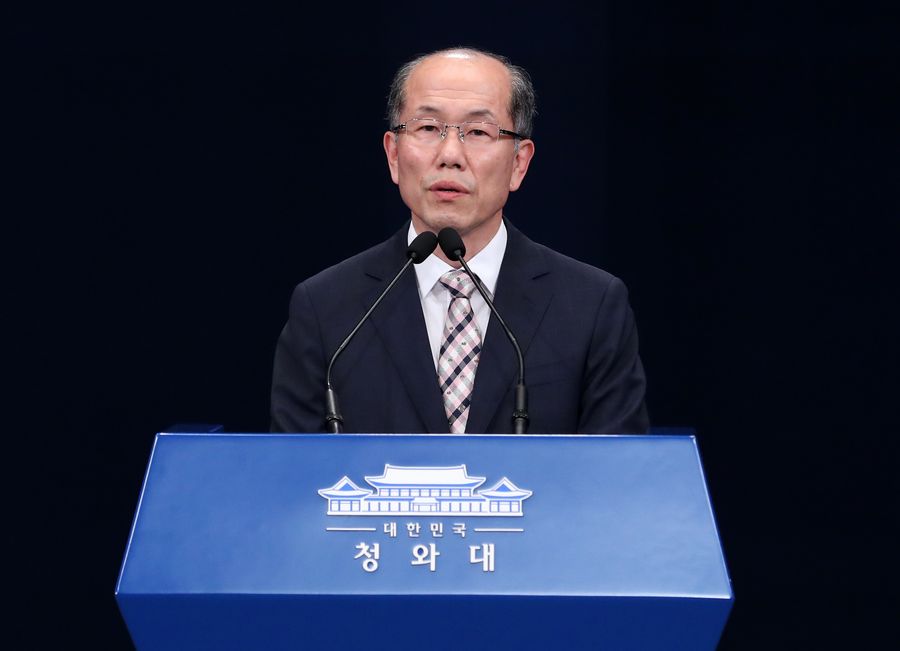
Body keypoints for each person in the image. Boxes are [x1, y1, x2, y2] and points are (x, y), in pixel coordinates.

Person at [270, 47, 649, 434]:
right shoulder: (325, 308)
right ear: (394, 155)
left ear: (519, 163)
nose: (450, 155)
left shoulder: (591, 306)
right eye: (427, 128)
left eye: (478, 132)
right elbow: (290, 467)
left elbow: (618, 468)